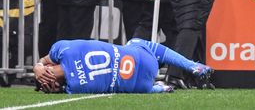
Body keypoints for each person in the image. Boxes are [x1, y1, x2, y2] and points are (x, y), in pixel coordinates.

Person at [33, 38, 214, 94]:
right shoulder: (63, 48)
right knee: (134, 42)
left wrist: (42, 72)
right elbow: (45, 59)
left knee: (121, 86)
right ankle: (193, 66)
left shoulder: (76, 88)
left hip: (141, 85)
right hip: (143, 58)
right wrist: (38, 65)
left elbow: (59, 83)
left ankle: (159, 88)